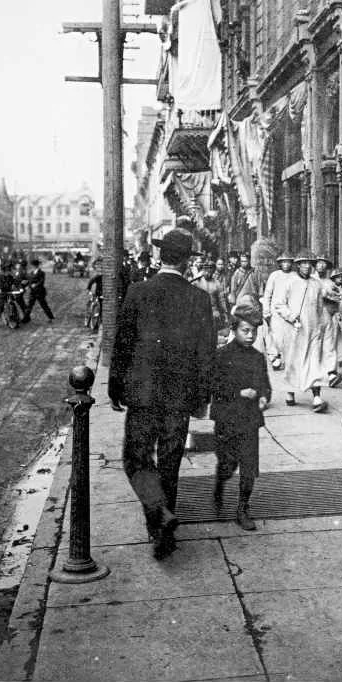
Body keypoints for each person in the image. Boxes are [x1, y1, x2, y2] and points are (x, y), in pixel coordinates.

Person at [108, 228, 215, 560]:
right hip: (179, 394)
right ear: (186, 262)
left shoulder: (138, 292)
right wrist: (202, 396)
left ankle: (159, 515)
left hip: (143, 391)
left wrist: (116, 385)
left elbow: (122, 343)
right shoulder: (199, 298)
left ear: (160, 257)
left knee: (137, 457)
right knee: (170, 460)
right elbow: (207, 353)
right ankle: (162, 530)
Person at [211, 303, 271, 531]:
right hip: (226, 418)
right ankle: (218, 487)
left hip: (249, 419)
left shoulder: (257, 357)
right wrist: (238, 392)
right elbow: (213, 386)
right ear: (234, 330)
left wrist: (264, 397)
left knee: (249, 466)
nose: (250, 335)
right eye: (245, 330)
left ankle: (242, 509)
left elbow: (265, 384)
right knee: (227, 464)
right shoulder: (222, 355)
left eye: (254, 332)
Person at [273, 249, 332, 412]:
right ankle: (290, 391)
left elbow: (320, 308)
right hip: (293, 330)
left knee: (314, 362)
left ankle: (317, 397)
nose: (306, 266)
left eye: (309, 263)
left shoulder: (316, 284)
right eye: (303, 263)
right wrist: (291, 316)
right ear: (297, 266)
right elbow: (279, 304)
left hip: (312, 330)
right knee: (293, 362)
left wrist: (321, 326)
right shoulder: (289, 282)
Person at [262, 252, 294, 370]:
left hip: (289, 310)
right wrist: (266, 310)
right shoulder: (274, 275)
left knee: (288, 335)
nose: (286, 264)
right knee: (275, 335)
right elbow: (268, 294)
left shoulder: (295, 276)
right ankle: (275, 357)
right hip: (275, 311)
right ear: (280, 263)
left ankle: (287, 358)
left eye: (288, 262)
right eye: (284, 262)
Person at [193, 259, 230, 329]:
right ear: (203, 270)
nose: (208, 273)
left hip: (214, 313)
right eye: (206, 270)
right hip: (200, 312)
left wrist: (225, 313)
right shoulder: (196, 282)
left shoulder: (217, 283)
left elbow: (222, 300)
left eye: (210, 271)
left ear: (213, 271)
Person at [22, 258, 55, 323]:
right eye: (33, 265)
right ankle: (25, 319)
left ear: (36, 265)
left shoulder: (42, 273)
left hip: (40, 292)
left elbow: (41, 281)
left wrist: (35, 285)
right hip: (32, 292)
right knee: (29, 306)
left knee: (44, 305)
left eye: (33, 265)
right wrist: (26, 284)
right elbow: (30, 281)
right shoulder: (31, 273)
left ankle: (50, 317)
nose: (33, 266)